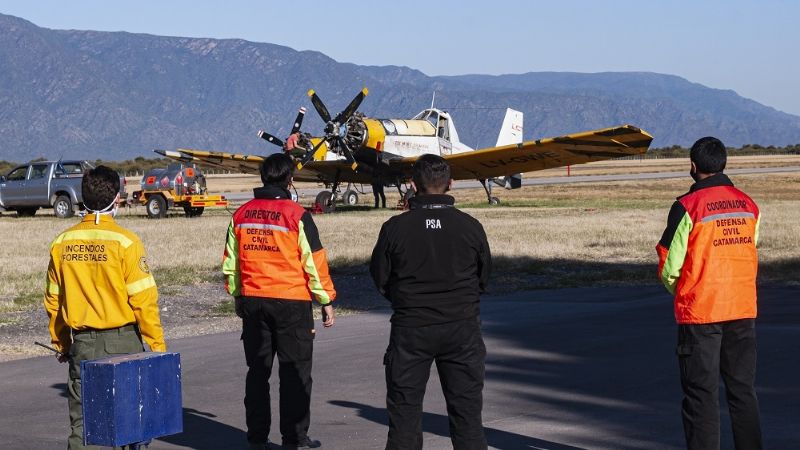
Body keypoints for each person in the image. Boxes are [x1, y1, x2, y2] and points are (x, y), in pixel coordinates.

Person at [370, 154, 491, 450]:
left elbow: (381, 278)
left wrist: (406, 299)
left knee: (404, 417)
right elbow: (484, 278)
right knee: (467, 419)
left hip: (411, 328)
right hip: (461, 327)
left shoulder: (395, 228)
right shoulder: (470, 227)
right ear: (450, 185)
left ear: (412, 184)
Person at [44, 165, 165, 450]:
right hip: (123, 342)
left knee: (83, 425)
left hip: (82, 344)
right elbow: (144, 301)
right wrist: (157, 346)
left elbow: (53, 300)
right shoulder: (126, 242)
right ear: (116, 198)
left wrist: (61, 343)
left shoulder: (62, 243)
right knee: (128, 425)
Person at [223, 153, 336, 450]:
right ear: (290, 180)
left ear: (263, 178)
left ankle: (257, 439)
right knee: (295, 372)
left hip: (253, 301)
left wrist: (237, 295)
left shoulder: (241, 214)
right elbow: (314, 261)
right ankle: (294, 439)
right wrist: (325, 299)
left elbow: (231, 263)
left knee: (257, 373)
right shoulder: (297, 214)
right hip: (291, 303)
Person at [656, 137, 763, 450]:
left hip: (702, 312)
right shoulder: (749, 205)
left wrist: (685, 291)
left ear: (692, 165)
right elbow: (750, 248)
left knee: (701, 395)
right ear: (724, 164)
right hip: (742, 309)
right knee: (743, 391)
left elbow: (669, 264)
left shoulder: (687, 206)